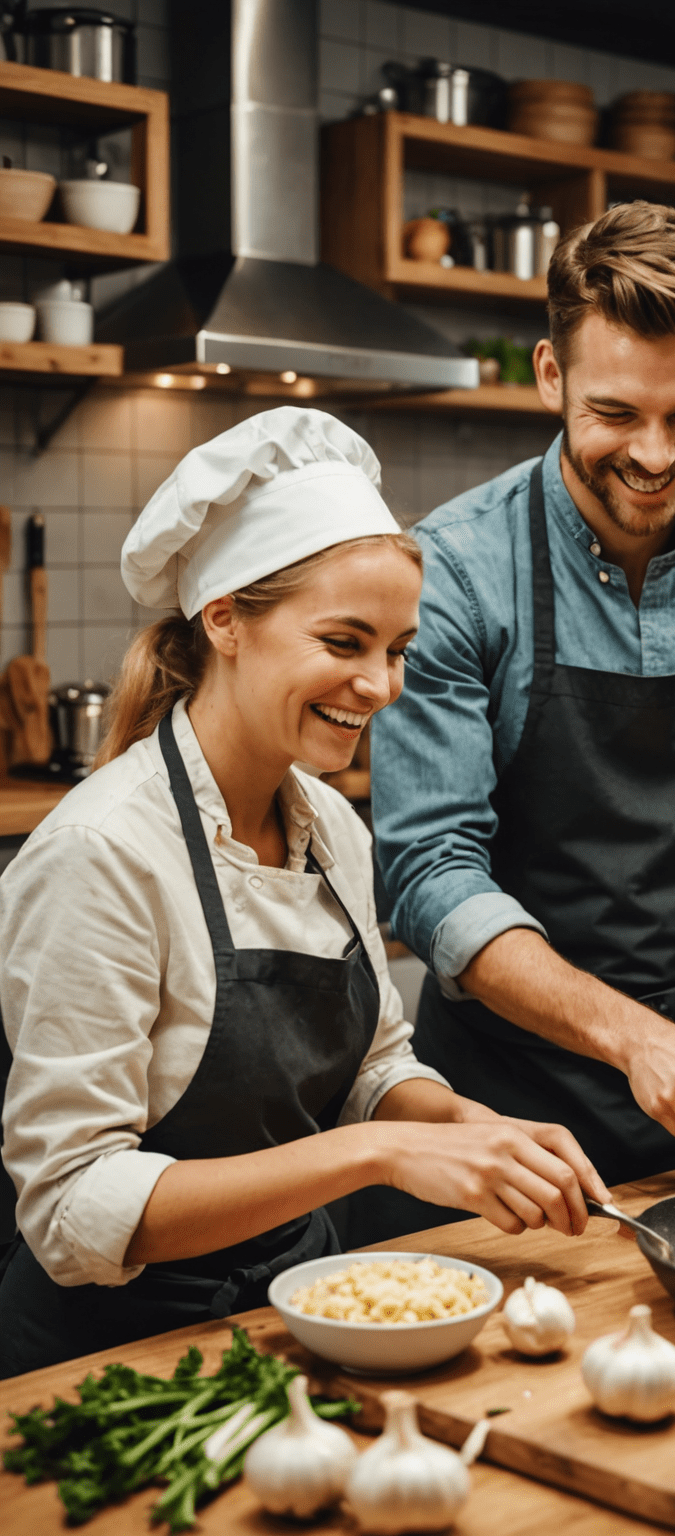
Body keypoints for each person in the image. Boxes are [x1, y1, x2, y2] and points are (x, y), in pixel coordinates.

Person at [0, 408, 608, 1378]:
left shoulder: (328, 825)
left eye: (398, 648)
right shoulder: (101, 852)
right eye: (345, 641)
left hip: (299, 1318)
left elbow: (373, 1061)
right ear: (226, 619)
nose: (381, 684)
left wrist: (466, 1128)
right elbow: (72, 1209)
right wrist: (372, 1156)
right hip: (113, 1359)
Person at [370, 203, 675, 1195]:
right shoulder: (456, 572)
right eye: (616, 414)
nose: (652, 454)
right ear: (552, 376)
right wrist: (637, 1041)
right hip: (505, 1114)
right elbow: (430, 872)